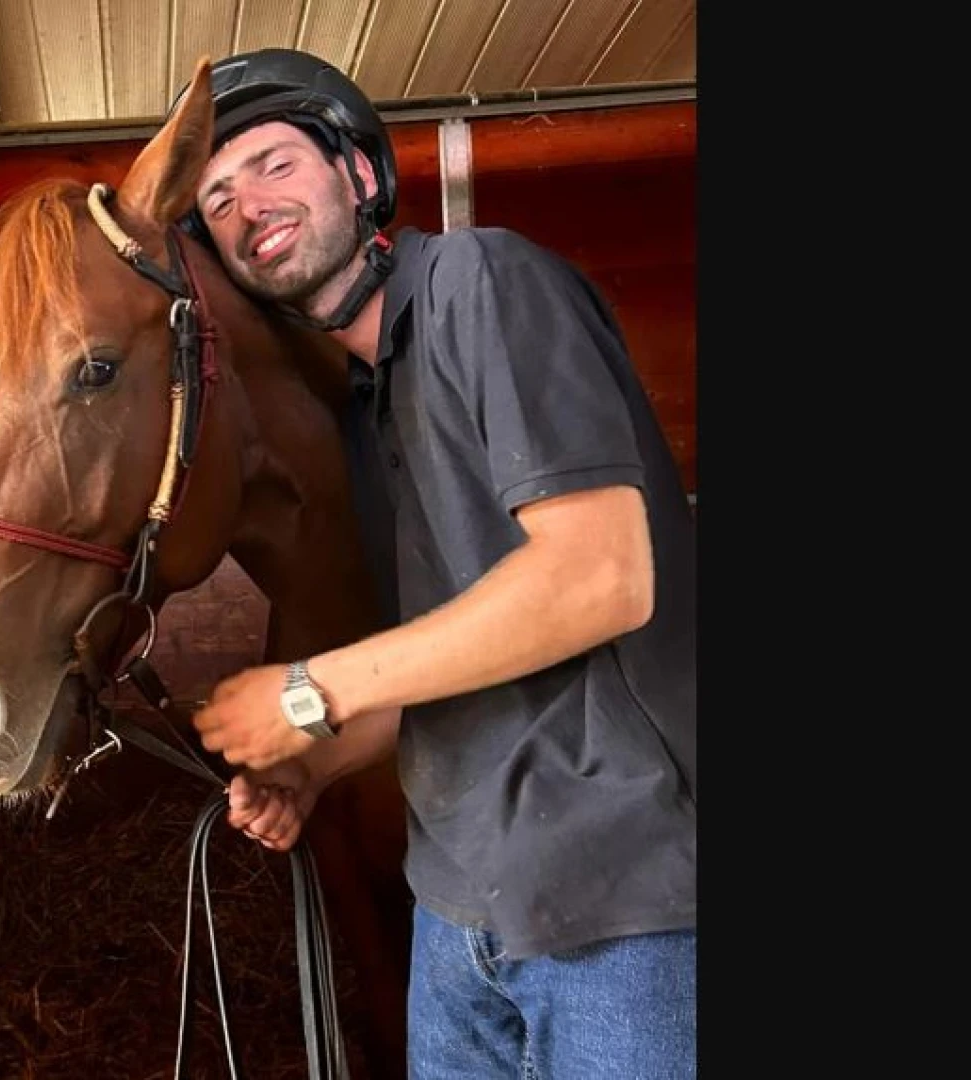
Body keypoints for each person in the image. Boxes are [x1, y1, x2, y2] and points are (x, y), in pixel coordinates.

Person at [176, 49, 698, 1080]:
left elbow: (601, 576)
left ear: (361, 176)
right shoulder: (370, 407)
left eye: (275, 165)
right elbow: (451, 658)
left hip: (622, 912)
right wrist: (313, 765)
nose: (247, 206)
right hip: (458, 913)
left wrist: (312, 686)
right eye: (220, 198)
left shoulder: (483, 282)